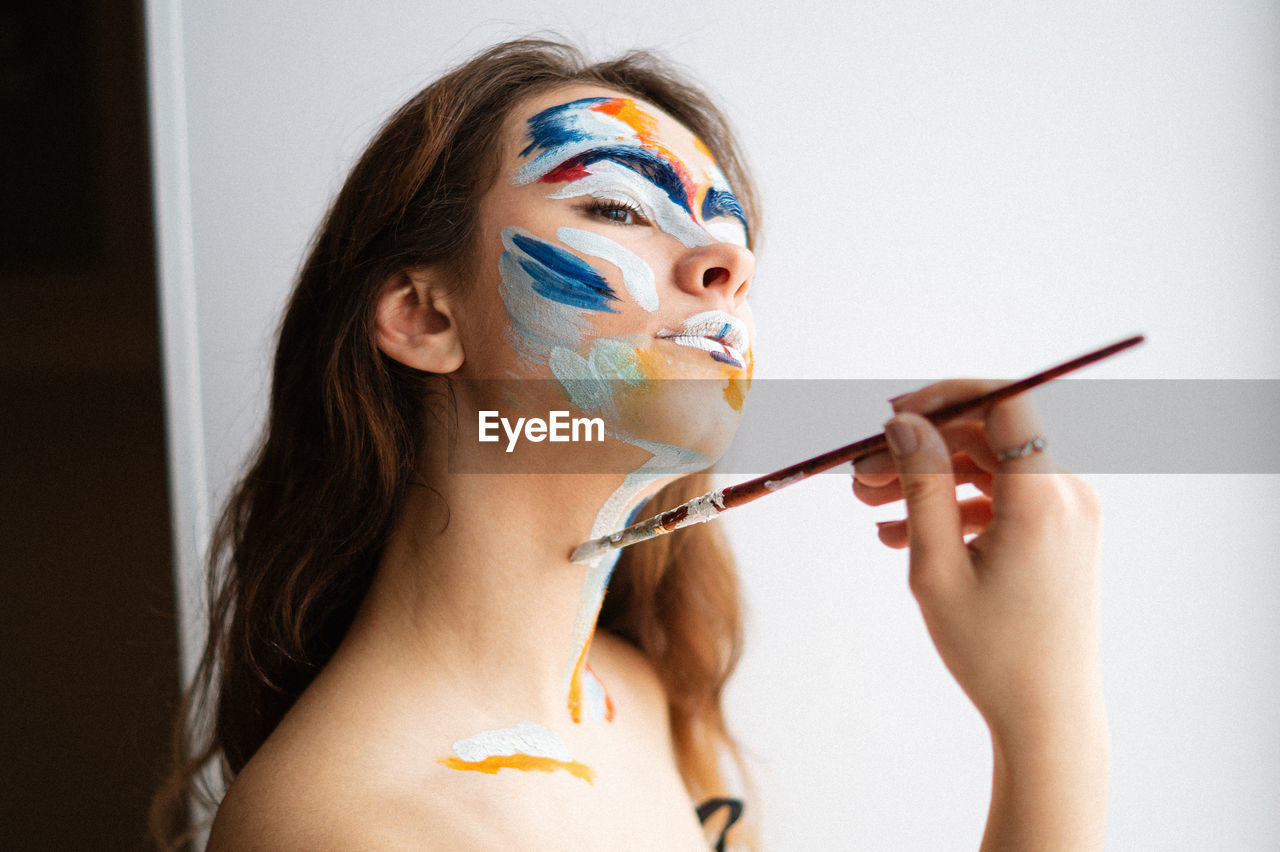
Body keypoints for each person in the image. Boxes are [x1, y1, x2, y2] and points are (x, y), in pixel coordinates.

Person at [152, 38, 1109, 850]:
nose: (729, 269)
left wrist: (1047, 693)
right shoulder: (347, 826)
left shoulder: (637, 692)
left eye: (731, 247)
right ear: (422, 315)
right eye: (616, 208)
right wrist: (1047, 711)